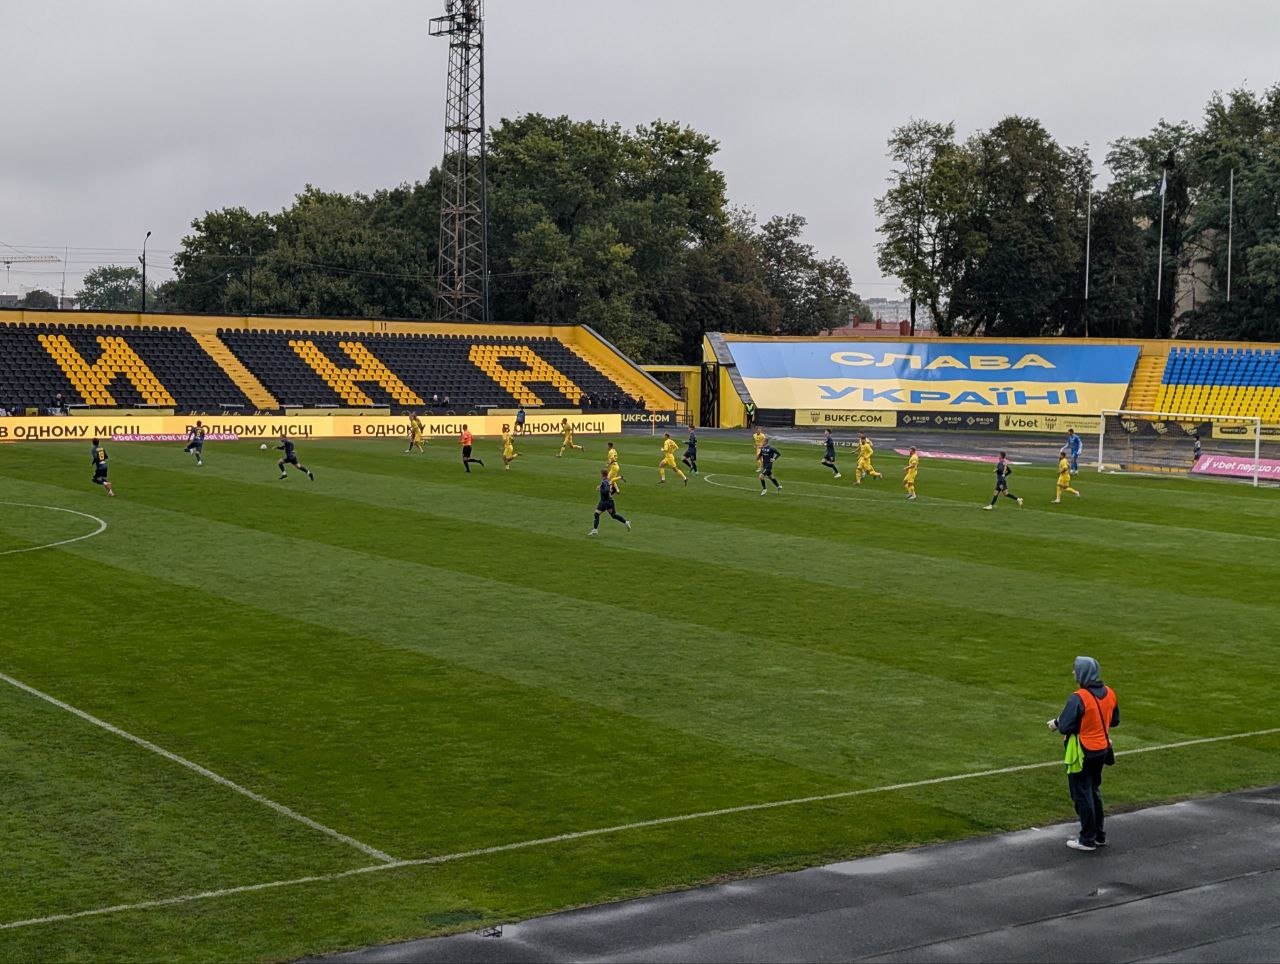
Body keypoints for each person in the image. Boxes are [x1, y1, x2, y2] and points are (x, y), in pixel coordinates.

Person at [1048, 656, 1119, 852]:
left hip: (1082, 751)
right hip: (1102, 750)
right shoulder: (1110, 693)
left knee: (1082, 794)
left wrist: (1056, 723)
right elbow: (1114, 721)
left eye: (1075, 670)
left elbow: (1066, 726)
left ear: (1082, 673)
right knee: (1094, 791)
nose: (1073, 673)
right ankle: (1098, 835)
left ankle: (1087, 838)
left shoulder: (1079, 697)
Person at [588, 468, 631, 537]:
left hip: (604, 502)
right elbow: (613, 489)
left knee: (596, 514)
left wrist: (600, 489)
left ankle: (595, 530)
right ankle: (626, 522)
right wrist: (611, 493)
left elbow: (606, 490)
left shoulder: (604, 482)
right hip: (610, 501)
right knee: (613, 515)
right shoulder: (609, 480)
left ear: (602, 475)